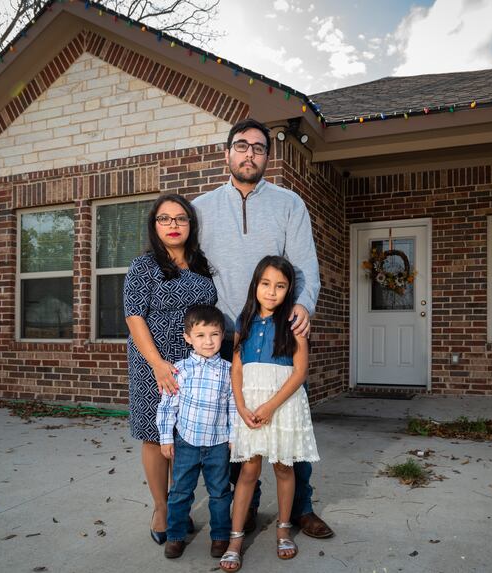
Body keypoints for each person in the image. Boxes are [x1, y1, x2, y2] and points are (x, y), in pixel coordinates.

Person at [193, 118, 334, 539]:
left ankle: (302, 509)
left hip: (278, 331)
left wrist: (304, 306)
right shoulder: (201, 208)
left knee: (291, 419)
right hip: (226, 335)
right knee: (239, 426)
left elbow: (306, 266)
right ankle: (247, 506)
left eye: (258, 147)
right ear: (227, 153)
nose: (249, 153)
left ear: (267, 157)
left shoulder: (289, 203)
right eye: (241, 146)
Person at [123, 194, 215, 545]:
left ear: (191, 225)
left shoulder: (202, 265)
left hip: (195, 365)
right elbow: (134, 317)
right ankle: (161, 508)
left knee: (184, 436)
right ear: (154, 225)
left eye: (180, 219)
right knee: (154, 434)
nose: (173, 225)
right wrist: (159, 365)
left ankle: (180, 506)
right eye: (165, 219)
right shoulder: (143, 266)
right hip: (154, 362)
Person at [219, 256, 320, 573]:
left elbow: (300, 371)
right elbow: (236, 369)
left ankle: (283, 530)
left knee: (284, 469)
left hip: (282, 404)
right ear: (255, 285)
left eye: (280, 286)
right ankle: (235, 539)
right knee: (248, 471)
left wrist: (270, 406)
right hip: (249, 405)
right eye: (266, 284)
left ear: (289, 289)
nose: (272, 292)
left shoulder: (293, 322)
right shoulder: (243, 320)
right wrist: (241, 406)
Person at [157, 304, 235, 560]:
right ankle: (176, 536)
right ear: (188, 338)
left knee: (220, 492)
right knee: (180, 492)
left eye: (214, 334)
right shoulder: (180, 370)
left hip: (218, 443)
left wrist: (234, 437)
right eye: (200, 335)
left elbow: (234, 406)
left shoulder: (228, 371)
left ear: (222, 335)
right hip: (186, 442)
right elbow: (168, 406)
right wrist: (166, 438)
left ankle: (220, 537)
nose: (208, 341)